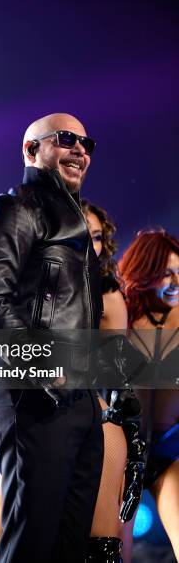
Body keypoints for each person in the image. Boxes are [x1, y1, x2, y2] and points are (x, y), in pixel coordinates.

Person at [0, 114, 105, 562]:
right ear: (31, 151)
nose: (80, 150)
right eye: (66, 140)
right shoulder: (12, 209)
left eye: (86, 143)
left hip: (79, 399)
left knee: (69, 547)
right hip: (34, 396)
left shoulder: (79, 226)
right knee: (32, 541)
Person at [0, 199, 144, 562]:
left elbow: (114, 372)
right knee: (10, 536)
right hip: (29, 416)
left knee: (94, 547)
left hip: (93, 419)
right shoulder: (27, 286)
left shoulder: (107, 294)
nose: (88, 242)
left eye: (97, 237)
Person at [119, 230, 179, 559]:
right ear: (146, 272)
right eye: (166, 273)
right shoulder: (119, 312)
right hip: (121, 451)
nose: (175, 282)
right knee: (112, 551)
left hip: (170, 450)